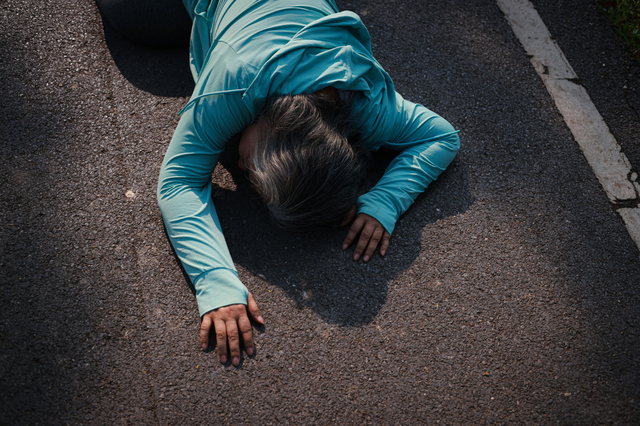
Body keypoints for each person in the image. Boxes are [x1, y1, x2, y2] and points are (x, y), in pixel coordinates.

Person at [154, 0, 460, 366]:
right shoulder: (236, 81)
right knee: (141, 26)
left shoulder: (370, 110)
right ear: (274, 124)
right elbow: (178, 182)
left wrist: (384, 201)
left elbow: (443, 137)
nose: (242, 169)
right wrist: (216, 282)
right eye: (253, 169)